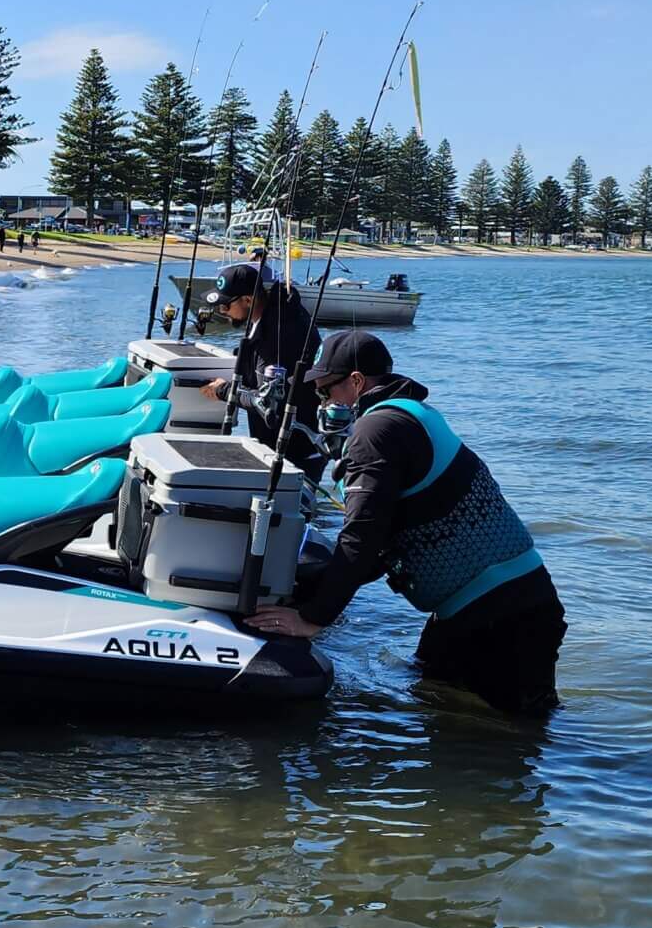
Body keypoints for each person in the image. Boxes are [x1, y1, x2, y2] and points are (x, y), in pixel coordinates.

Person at [245, 330, 566, 717]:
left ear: (357, 381)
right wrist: (311, 588)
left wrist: (313, 619)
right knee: (431, 695)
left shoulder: (374, 432)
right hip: (487, 605)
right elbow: (387, 537)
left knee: (513, 734)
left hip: (501, 616)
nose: (323, 402)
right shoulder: (414, 413)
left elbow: (362, 534)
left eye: (326, 390)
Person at [199, 260, 324, 475]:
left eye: (226, 305)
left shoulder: (277, 336)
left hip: (295, 451)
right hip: (272, 443)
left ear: (248, 299)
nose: (222, 311)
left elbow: (267, 401)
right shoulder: (266, 319)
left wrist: (223, 391)